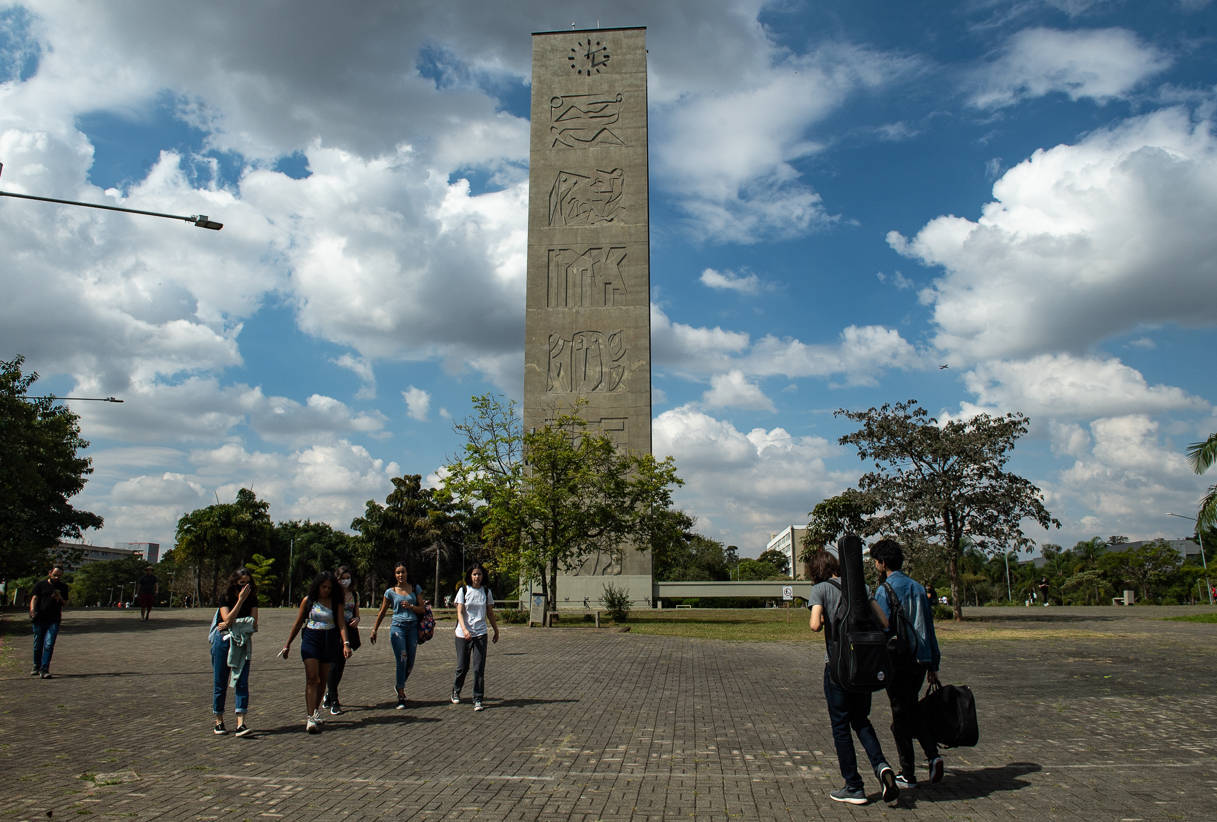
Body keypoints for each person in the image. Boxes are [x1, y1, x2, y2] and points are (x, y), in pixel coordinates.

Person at [806, 550, 899, 805]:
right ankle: (881, 766)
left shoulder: (821, 589)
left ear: (815, 570)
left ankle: (854, 785)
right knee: (861, 720)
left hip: (837, 667)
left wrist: (825, 616)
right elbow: (883, 621)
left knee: (840, 726)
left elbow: (815, 625)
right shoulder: (862, 586)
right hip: (863, 666)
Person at [871, 538, 944, 789]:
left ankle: (909, 772)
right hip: (920, 658)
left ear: (882, 563)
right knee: (910, 708)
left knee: (900, 715)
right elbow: (929, 627)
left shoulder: (884, 590)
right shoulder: (918, 588)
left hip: (898, 659)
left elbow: (883, 626)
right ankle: (932, 756)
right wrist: (933, 663)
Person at [281, 571, 352, 733]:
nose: (326, 590)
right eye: (323, 587)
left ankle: (315, 710)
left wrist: (346, 644)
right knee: (312, 678)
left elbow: (341, 624)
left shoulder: (336, 603)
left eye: (329, 587)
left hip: (329, 640)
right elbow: (298, 623)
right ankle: (310, 717)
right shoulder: (309, 601)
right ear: (317, 586)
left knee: (322, 680)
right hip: (311, 639)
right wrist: (287, 644)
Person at [369, 562, 425, 709]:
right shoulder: (390, 592)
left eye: (403, 572)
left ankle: (399, 683)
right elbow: (382, 611)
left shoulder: (415, 588)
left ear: (407, 573)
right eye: (398, 573)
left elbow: (422, 609)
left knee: (410, 661)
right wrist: (374, 629)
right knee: (402, 657)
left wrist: (412, 607)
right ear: (394, 575)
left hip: (412, 627)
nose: (401, 575)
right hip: (397, 628)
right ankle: (401, 693)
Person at [211, 567, 258, 737]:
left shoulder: (252, 599)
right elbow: (226, 620)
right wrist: (239, 601)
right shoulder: (226, 596)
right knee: (220, 681)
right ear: (234, 583)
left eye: (248, 584)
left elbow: (253, 625)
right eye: (241, 584)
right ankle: (219, 720)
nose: (245, 588)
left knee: (242, 681)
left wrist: (234, 623)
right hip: (223, 641)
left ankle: (241, 723)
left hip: (242, 642)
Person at [451, 564, 499, 712]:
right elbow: (459, 612)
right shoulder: (463, 590)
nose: (476, 577)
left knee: (478, 668)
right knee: (462, 667)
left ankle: (478, 698)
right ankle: (456, 690)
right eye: (474, 574)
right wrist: (464, 629)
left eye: (479, 574)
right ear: (469, 576)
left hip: (480, 634)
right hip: (463, 634)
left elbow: (489, 612)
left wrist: (496, 630)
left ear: (483, 576)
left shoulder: (486, 591)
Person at [323, 565, 361, 715]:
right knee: (333, 665)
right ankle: (334, 700)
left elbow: (356, 613)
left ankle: (329, 694)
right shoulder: (331, 593)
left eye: (347, 578)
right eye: (342, 578)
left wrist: (357, 619)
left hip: (348, 631)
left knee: (340, 666)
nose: (345, 581)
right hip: (333, 631)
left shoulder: (354, 594)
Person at [29, 566, 70, 679]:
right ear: (50, 573)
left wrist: (59, 596)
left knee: (49, 644)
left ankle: (45, 668)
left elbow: (65, 602)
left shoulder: (63, 587)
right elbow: (34, 598)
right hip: (39, 617)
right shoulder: (40, 585)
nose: (57, 577)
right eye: (55, 574)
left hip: (54, 619)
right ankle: (36, 665)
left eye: (59, 575)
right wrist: (32, 610)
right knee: (38, 644)